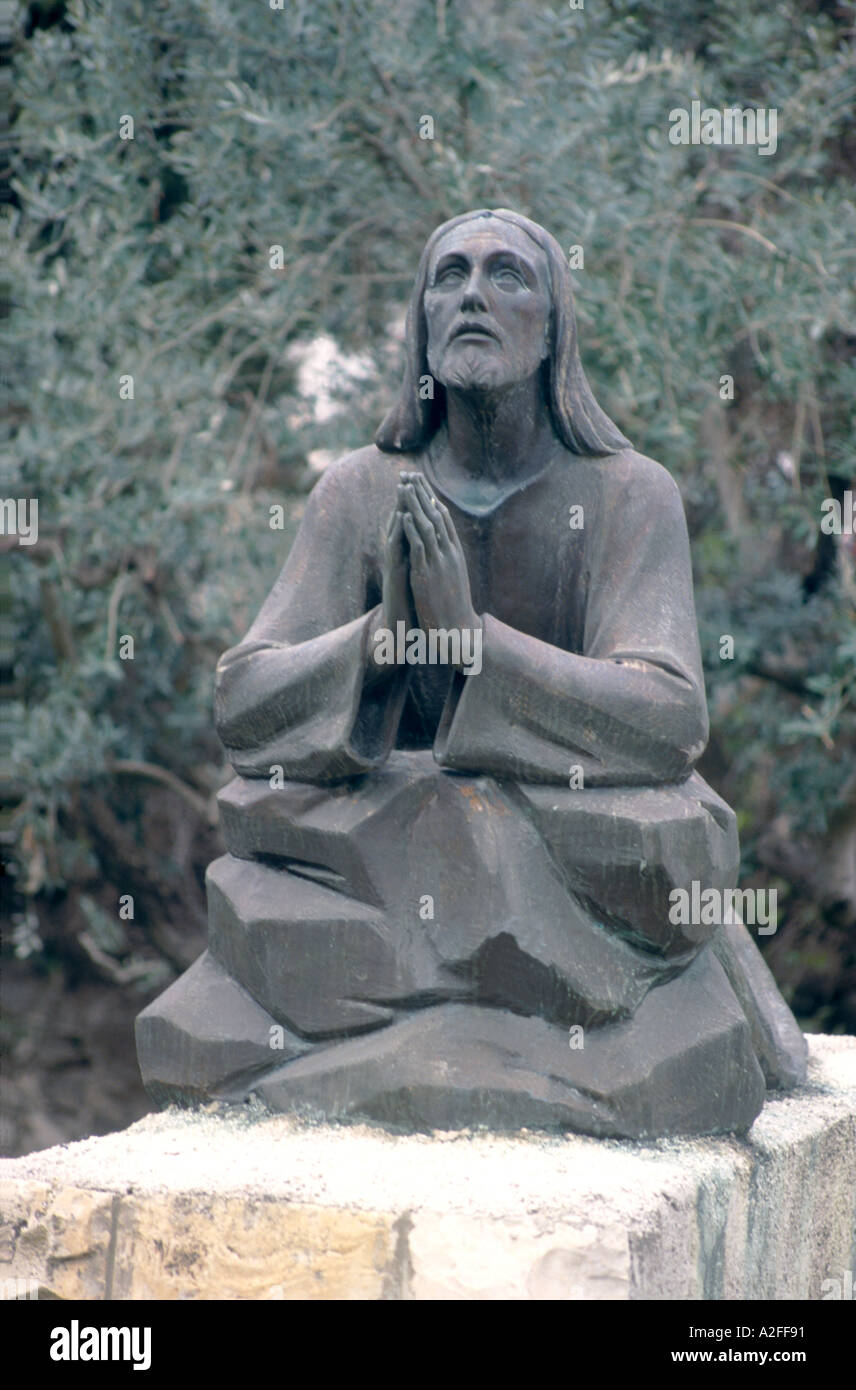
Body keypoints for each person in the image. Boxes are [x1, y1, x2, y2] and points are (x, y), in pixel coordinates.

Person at [138, 211, 806, 1136]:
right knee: (306, 825)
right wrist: (385, 638)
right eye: (448, 276)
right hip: (388, 840)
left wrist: (473, 643)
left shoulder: (626, 492)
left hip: (565, 836)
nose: (473, 296)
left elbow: (668, 714)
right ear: (420, 320)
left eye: (507, 276)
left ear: (552, 327)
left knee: (667, 830)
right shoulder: (361, 491)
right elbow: (244, 701)